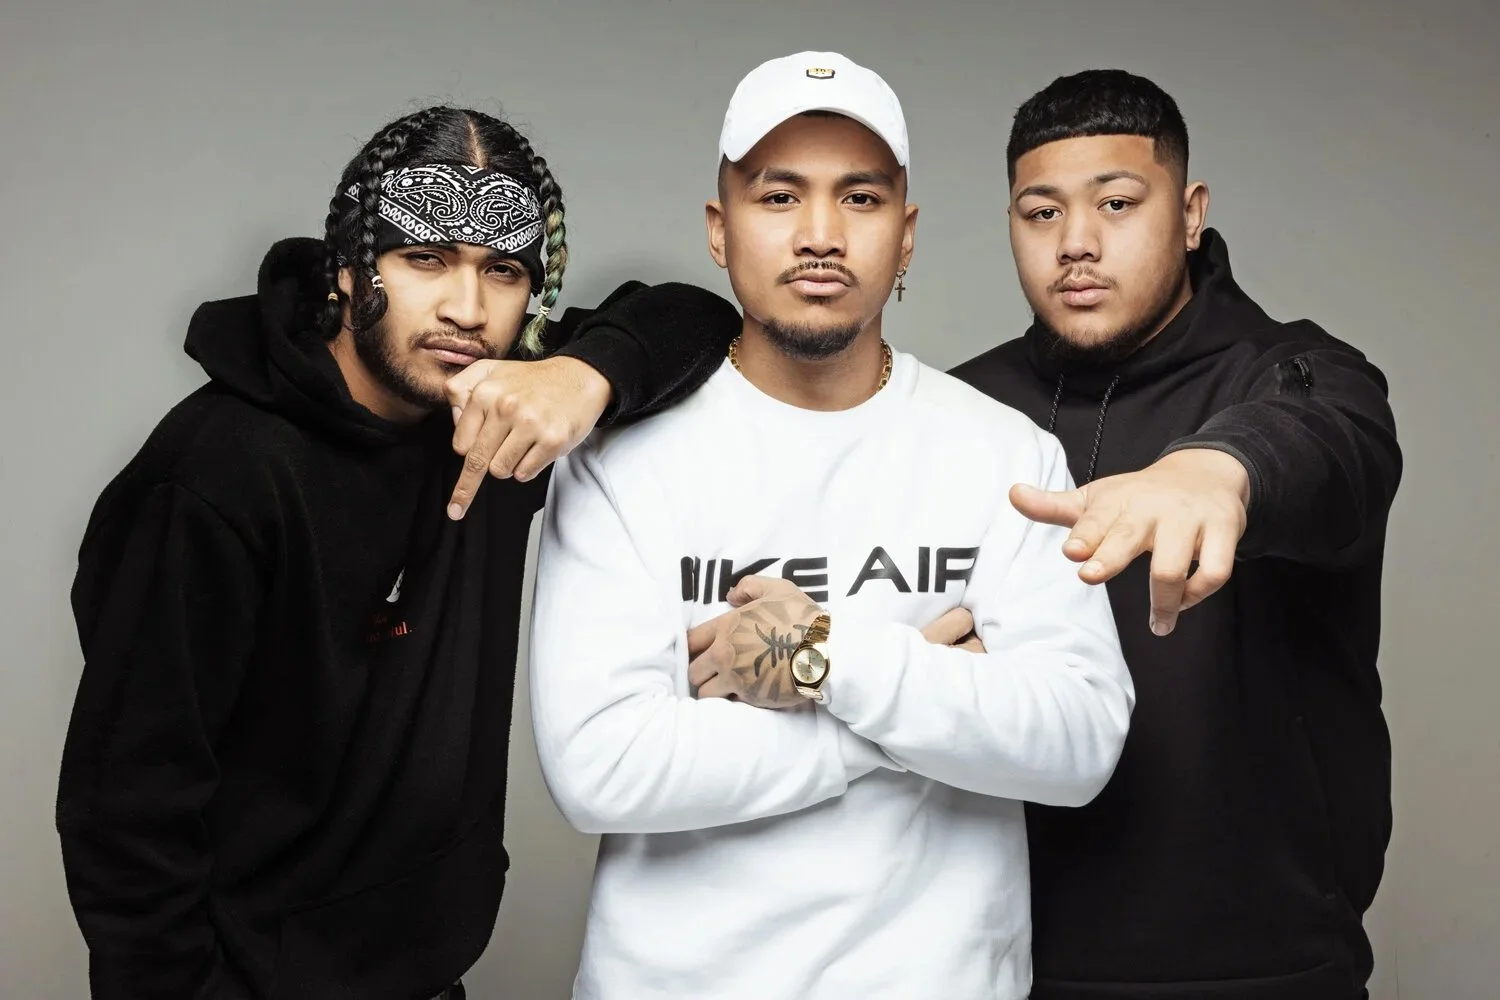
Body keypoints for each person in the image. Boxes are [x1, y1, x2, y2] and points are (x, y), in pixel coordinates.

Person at [55, 105, 742, 1000]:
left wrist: (585, 375)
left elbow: (695, 318)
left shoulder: (500, 416)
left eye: (502, 271)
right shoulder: (215, 477)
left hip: (427, 978)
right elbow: (125, 824)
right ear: (346, 269)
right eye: (425, 260)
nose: (465, 307)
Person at [528, 51, 1134, 1000]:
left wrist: (820, 656)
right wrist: (908, 703)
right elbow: (603, 767)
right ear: (719, 233)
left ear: (907, 234)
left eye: (859, 198)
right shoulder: (619, 460)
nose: (820, 235)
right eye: (778, 197)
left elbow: (1079, 742)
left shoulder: (1002, 456)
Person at [951, 70, 1403, 1000]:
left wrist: (1217, 471)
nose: (1076, 244)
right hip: (1001, 965)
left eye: (1117, 204)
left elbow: (1328, 442)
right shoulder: (964, 410)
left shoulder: (1300, 376)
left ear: (1190, 213)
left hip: (1261, 969)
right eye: (1041, 214)